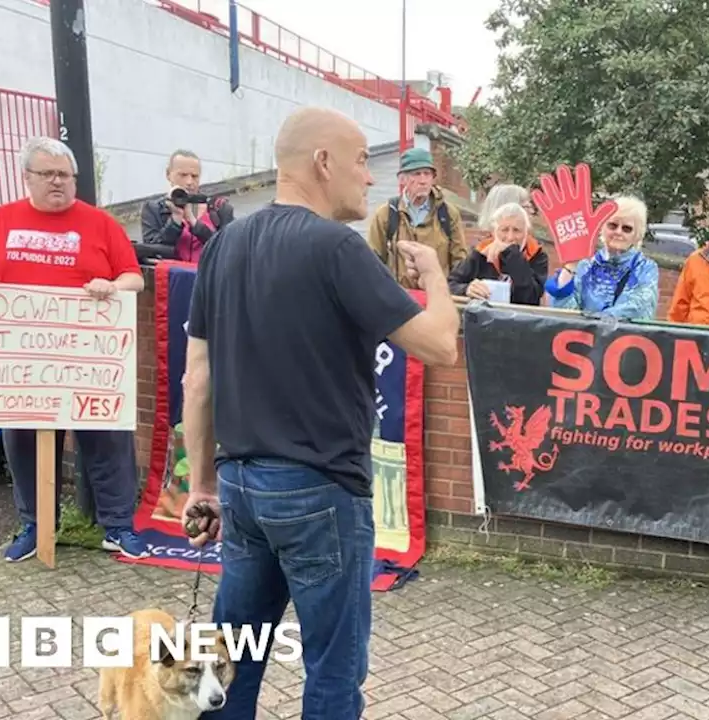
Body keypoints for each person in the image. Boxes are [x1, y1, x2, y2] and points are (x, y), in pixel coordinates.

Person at [179, 107, 459, 718]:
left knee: (231, 661)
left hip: (239, 488)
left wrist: (201, 484)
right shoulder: (337, 248)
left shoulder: (222, 247)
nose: (370, 178)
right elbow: (439, 344)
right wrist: (437, 276)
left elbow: (196, 380)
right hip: (320, 493)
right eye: (362, 161)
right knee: (333, 670)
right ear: (322, 163)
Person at [0, 136, 149, 561]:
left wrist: (112, 285)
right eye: (48, 174)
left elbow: (134, 277)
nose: (58, 182)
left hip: (89, 360)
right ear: (27, 177)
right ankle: (35, 527)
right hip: (21, 363)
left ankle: (117, 526)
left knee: (109, 441)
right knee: (23, 444)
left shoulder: (101, 224)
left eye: (65, 175)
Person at [365, 147, 468, 288]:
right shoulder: (386, 214)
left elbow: (460, 262)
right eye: (416, 174)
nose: (423, 180)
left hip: (437, 297)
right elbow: (373, 262)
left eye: (427, 174)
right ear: (402, 179)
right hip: (400, 300)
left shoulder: (448, 214)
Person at [544, 195, 659, 319]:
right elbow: (564, 313)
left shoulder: (645, 268)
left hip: (622, 337)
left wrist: (597, 321)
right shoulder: (586, 265)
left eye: (627, 229)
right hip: (583, 336)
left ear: (637, 235)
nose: (618, 232)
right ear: (602, 227)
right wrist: (571, 266)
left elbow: (640, 309)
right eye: (613, 225)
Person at [139, 149, 235, 263]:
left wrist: (194, 223)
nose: (189, 182)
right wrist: (175, 220)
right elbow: (151, 252)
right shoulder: (153, 209)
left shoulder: (219, 208)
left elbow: (227, 248)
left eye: (194, 176)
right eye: (183, 175)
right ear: (168, 174)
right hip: (171, 277)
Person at [447, 202, 548, 305]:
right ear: (494, 232)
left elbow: (530, 297)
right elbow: (450, 285)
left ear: (527, 233)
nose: (510, 237)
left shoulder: (537, 255)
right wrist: (466, 289)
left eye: (517, 230)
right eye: (504, 230)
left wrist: (513, 255)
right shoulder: (482, 252)